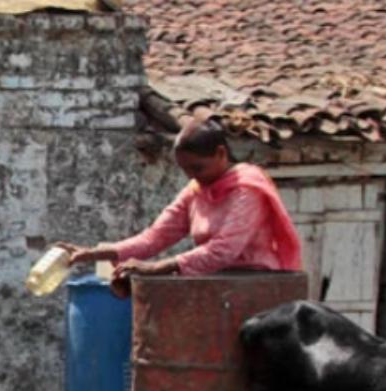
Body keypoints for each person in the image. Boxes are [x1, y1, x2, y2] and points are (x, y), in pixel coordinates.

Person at [62, 118, 303, 298]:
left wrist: (157, 267)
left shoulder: (246, 187)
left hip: (255, 285)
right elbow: (155, 237)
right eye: (186, 170)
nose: (192, 176)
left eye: (198, 168)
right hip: (215, 286)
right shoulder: (196, 190)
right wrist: (94, 253)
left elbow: (224, 250)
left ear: (221, 154)